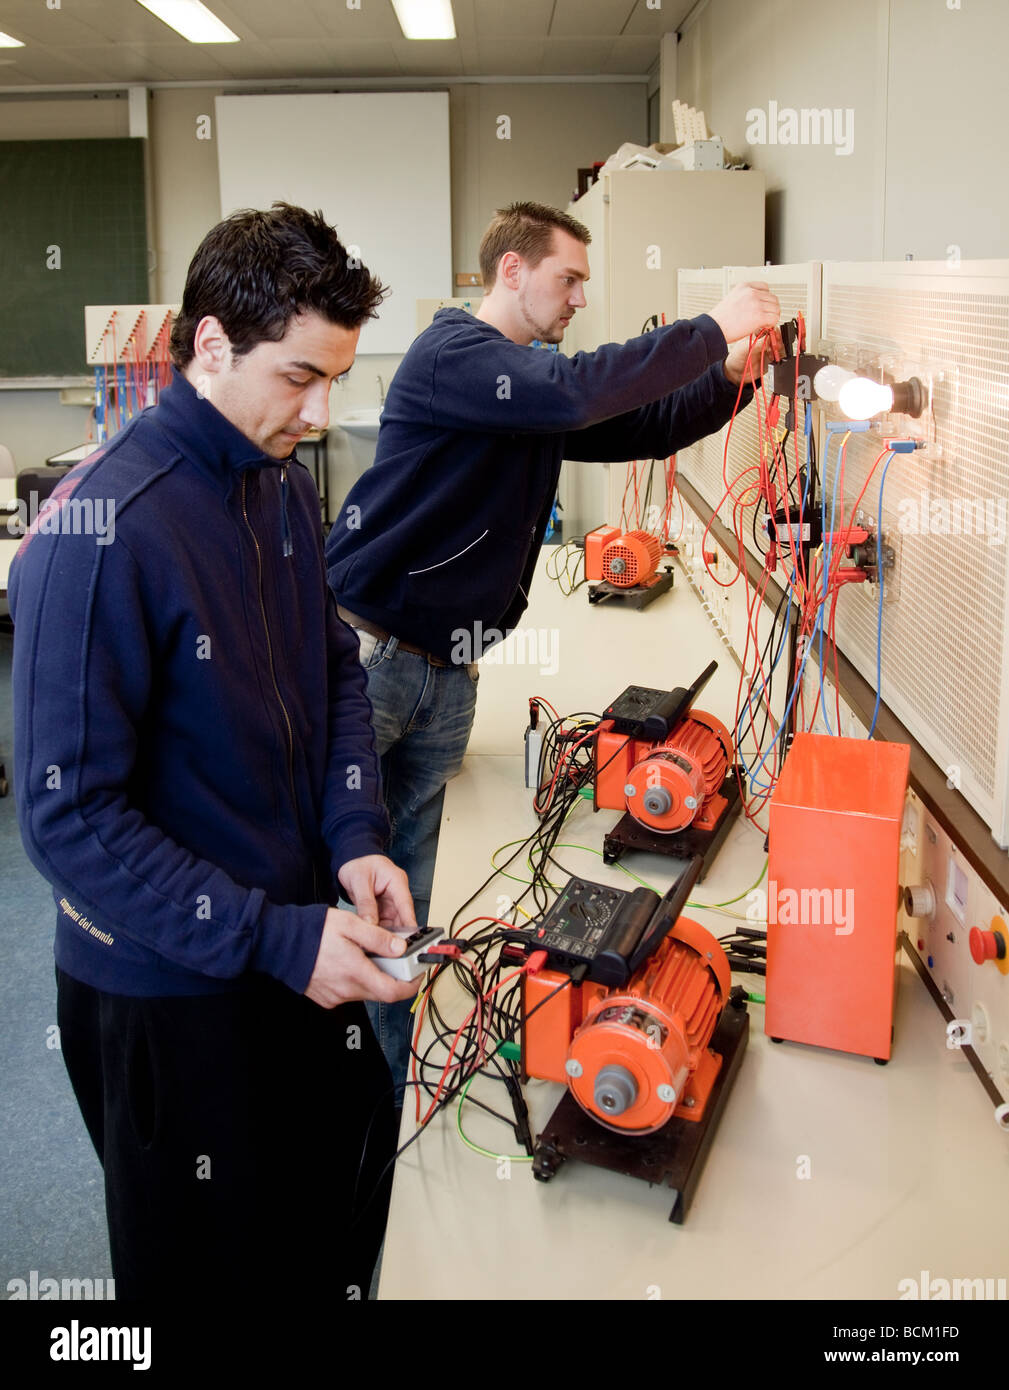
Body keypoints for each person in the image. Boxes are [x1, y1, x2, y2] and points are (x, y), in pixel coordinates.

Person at [9, 202, 419, 1301]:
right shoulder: (104, 535)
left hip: (288, 943)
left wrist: (354, 833)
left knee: (318, 1218)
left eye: (334, 377)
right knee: (206, 1269)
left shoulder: (277, 479)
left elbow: (333, 665)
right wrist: (269, 938)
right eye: (298, 377)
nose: (322, 410)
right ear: (209, 346)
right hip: (171, 991)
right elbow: (69, 821)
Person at [326, 200, 781, 1087]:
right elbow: (571, 389)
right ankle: (305, 1063)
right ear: (511, 271)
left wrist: (734, 377)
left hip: (444, 670)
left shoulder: (522, 385)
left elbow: (634, 425)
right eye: (567, 278)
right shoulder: (453, 355)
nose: (578, 297)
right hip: (370, 658)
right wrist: (706, 327)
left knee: (404, 886)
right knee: (326, 866)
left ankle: (379, 1076)